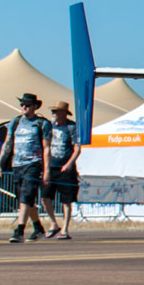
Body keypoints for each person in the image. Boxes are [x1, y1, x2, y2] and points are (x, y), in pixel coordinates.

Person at [0, 93, 51, 242]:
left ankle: (19, 230)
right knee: (25, 199)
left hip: (33, 163)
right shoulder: (16, 121)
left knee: (26, 197)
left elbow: (46, 148)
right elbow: (7, 143)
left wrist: (47, 171)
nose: (24, 107)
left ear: (34, 107)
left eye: (27, 105)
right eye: (22, 105)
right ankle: (38, 228)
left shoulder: (42, 123)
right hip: (17, 164)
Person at [42, 100, 80, 239]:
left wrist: (70, 163)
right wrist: (45, 167)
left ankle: (65, 229)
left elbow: (77, 147)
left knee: (66, 200)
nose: (54, 113)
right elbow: (45, 146)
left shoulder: (71, 127)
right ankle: (53, 223)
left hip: (65, 167)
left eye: (56, 111)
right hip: (51, 167)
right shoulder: (49, 127)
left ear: (63, 113)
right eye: (53, 111)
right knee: (45, 197)